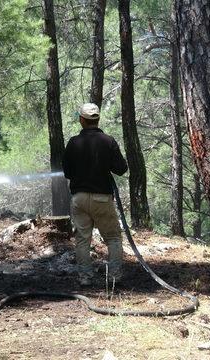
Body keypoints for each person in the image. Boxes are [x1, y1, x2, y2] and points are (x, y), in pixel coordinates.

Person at [62, 103, 128, 286]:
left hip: (79, 199)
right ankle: (114, 277)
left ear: (81, 120)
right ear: (97, 119)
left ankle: (85, 278)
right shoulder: (109, 141)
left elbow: (67, 173)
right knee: (113, 238)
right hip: (102, 198)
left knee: (83, 240)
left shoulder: (73, 142)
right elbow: (121, 169)